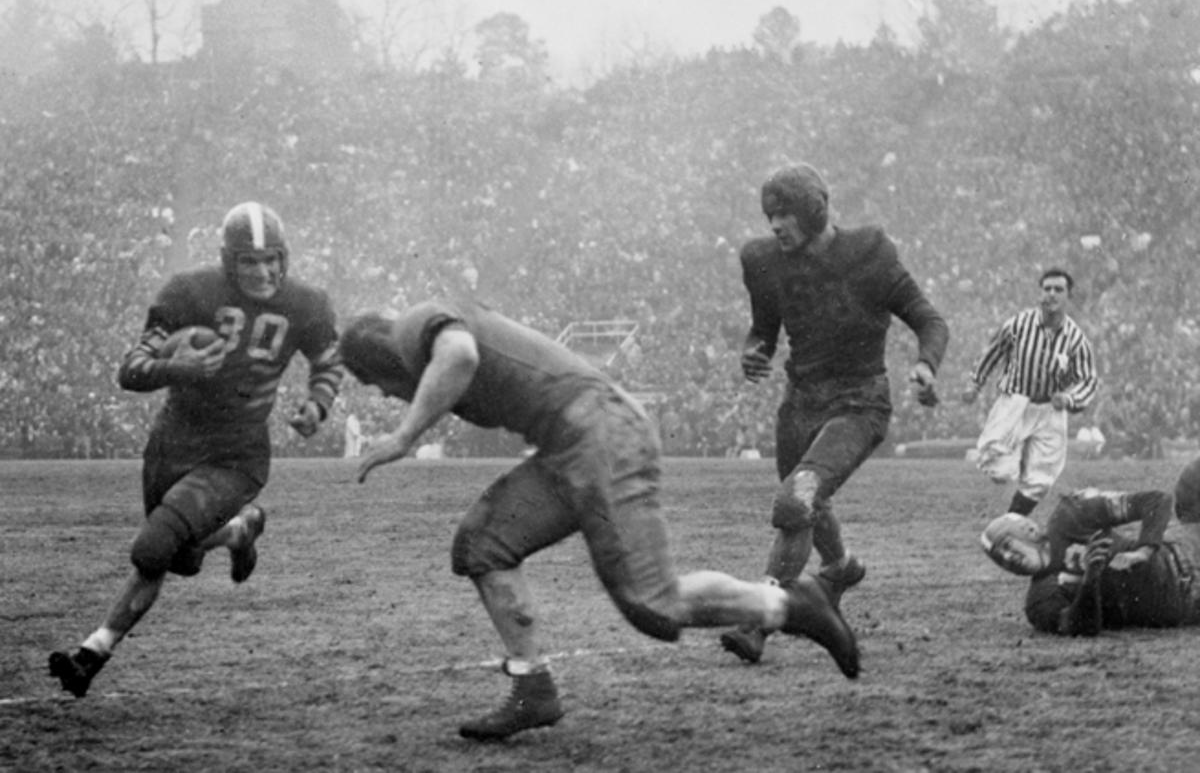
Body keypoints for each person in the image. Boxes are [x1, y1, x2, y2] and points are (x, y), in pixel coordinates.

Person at [339, 299, 860, 741]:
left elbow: (458, 353)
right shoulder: (423, 328)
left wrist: (404, 436)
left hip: (602, 438)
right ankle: (532, 686)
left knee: (655, 603)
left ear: (378, 361)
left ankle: (793, 602)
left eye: (379, 386)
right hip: (571, 447)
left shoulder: (409, 332)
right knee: (482, 544)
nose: (388, 395)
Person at [48, 202, 344, 698]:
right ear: (230, 262)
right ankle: (238, 531)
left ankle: (92, 653)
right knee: (181, 557)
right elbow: (131, 368)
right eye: (249, 261)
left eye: (271, 258)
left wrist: (317, 404)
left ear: (284, 257)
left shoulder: (307, 303)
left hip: (237, 454)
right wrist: (176, 368)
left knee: (152, 548)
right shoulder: (190, 291)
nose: (263, 270)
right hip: (174, 443)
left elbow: (328, 362)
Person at [719, 163, 949, 665]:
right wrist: (753, 350)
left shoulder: (869, 253)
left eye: (785, 214)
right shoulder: (764, 260)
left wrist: (927, 366)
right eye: (770, 215)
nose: (775, 225)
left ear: (814, 209)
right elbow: (763, 330)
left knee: (796, 501)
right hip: (800, 402)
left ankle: (761, 618)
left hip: (858, 402)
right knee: (806, 501)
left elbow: (928, 318)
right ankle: (841, 567)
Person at [980, 455, 1200, 635]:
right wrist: (1089, 582)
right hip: (1184, 601)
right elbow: (1081, 627)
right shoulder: (1040, 600)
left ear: (1028, 530)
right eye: (1000, 559)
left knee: (1192, 477)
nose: (1008, 559)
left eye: (1007, 546)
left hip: (1181, 552)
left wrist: (1143, 551)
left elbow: (1156, 501)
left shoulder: (1071, 515)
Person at [962, 268, 1098, 516]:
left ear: (1069, 296)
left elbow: (1088, 380)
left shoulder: (1076, 339)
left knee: (1040, 480)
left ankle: (1012, 521)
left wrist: (1069, 398)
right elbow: (993, 351)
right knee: (1000, 471)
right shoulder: (1019, 324)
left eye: (1059, 289)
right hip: (1015, 402)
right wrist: (975, 383)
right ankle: (1020, 460)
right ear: (1040, 293)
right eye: (1047, 289)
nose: (1052, 294)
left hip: (1050, 410)